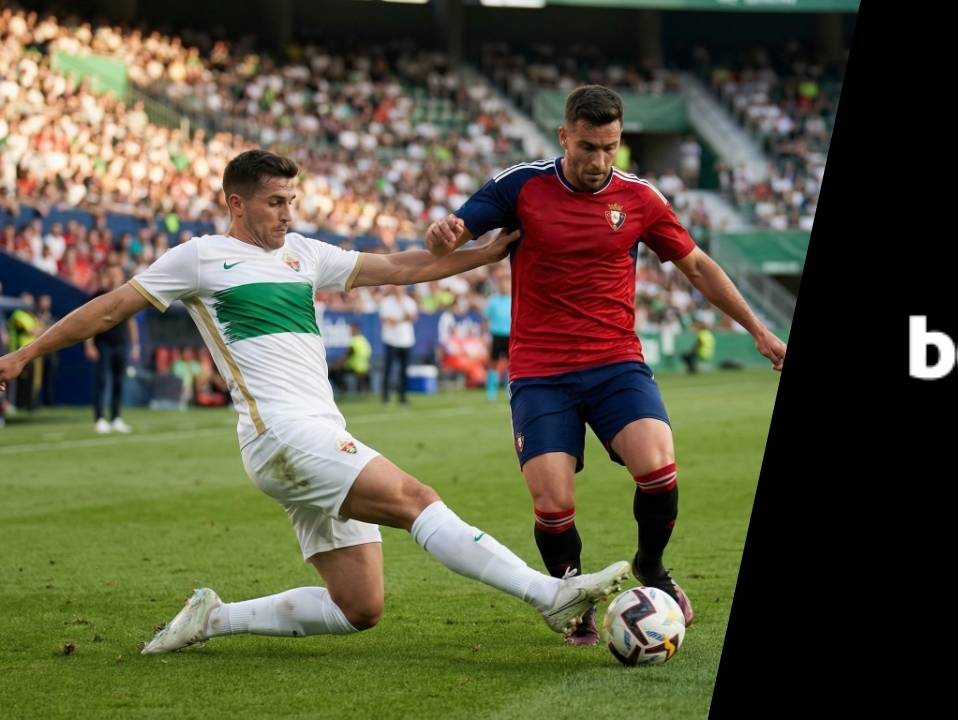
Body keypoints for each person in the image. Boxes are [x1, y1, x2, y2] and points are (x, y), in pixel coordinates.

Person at [0, 149, 628, 655]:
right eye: (275, 202)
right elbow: (109, 309)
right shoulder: (200, 258)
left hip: (316, 433)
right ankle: (549, 595)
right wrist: (24, 355)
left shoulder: (305, 254)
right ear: (236, 203)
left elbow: (398, 268)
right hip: (281, 434)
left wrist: (483, 255)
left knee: (359, 607)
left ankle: (213, 619)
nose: (287, 214)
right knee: (417, 500)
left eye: (292, 201)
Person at [424, 86, 786, 645]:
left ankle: (651, 565)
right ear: (564, 136)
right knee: (553, 503)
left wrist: (759, 331)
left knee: (658, 466)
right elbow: (451, 236)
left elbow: (697, 267)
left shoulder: (639, 198)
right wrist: (442, 234)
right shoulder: (521, 186)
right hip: (541, 372)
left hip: (615, 362)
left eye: (610, 147)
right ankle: (572, 592)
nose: (598, 161)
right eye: (588, 147)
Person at [86, 266, 140, 433]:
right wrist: (89, 345)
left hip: (121, 344)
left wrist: (135, 345)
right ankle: (99, 418)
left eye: (116, 274)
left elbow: (131, 322)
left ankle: (116, 418)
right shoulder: (98, 295)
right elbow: (88, 320)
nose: (113, 277)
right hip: (103, 343)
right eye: (111, 274)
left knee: (119, 382)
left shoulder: (126, 295)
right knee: (101, 381)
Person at [379, 284, 417, 405]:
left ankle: (402, 396)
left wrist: (401, 307)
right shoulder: (386, 302)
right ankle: (385, 397)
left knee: (404, 371)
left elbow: (411, 317)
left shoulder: (409, 302)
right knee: (388, 370)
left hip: (406, 340)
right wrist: (402, 319)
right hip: (391, 340)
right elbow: (388, 320)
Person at [483, 274, 512, 403]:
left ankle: (510, 390)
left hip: (510, 335)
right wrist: (485, 336)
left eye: (506, 283)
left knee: (511, 365)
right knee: (493, 364)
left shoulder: (513, 299)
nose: (504, 286)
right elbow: (486, 319)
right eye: (502, 283)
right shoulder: (493, 300)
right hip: (496, 335)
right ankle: (491, 393)